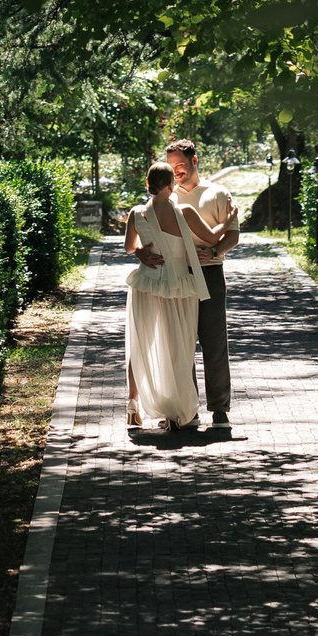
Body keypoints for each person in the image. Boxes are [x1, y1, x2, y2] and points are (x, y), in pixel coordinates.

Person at [133, 138, 241, 426]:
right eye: (171, 167)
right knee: (178, 343)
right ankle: (185, 410)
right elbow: (142, 227)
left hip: (209, 273)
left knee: (213, 342)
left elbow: (232, 234)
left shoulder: (218, 193)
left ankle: (219, 410)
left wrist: (216, 251)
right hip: (177, 274)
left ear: (194, 161)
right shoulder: (167, 194)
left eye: (180, 165)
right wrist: (142, 253)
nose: (176, 171)